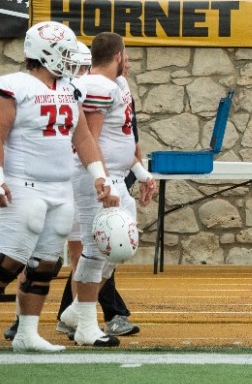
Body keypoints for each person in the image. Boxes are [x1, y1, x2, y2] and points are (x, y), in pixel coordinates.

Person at [0, 22, 116, 352]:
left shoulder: (69, 88)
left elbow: (82, 137)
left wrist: (99, 176)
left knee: (45, 265)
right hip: (23, 183)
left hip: (59, 185)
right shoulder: (13, 86)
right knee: (8, 260)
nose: (69, 60)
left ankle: (27, 333)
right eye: (64, 52)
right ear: (44, 52)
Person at [58, 32, 153, 343]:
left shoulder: (114, 84)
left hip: (113, 177)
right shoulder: (96, 86)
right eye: (124, 54)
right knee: (95, 249)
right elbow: (90, 141)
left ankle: (75, 311)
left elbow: (123, 137)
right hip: (97, 178)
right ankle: (85, 326)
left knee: (119, 246)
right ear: (117, 56)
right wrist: (100, 179)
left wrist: (139, 172)